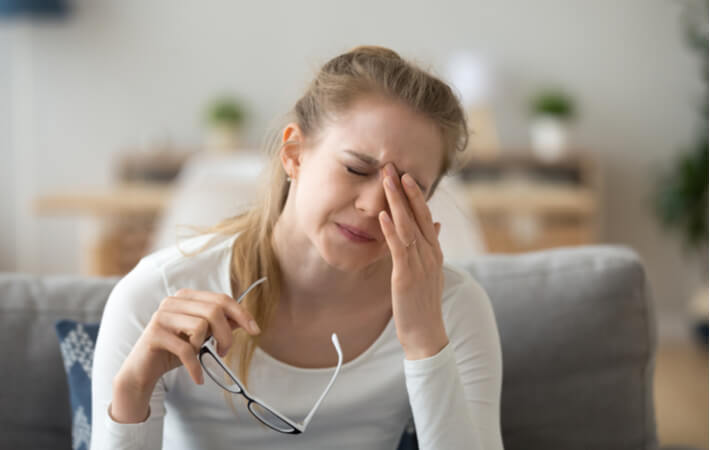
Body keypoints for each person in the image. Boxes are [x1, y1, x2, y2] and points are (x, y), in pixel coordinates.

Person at [90, 45, 503, 450]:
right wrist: (132, 389)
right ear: (294, 155)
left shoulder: (451, 307)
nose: (372, 206)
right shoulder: (155, 293)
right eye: (356, 168)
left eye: (408, 190)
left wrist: (424, 339)